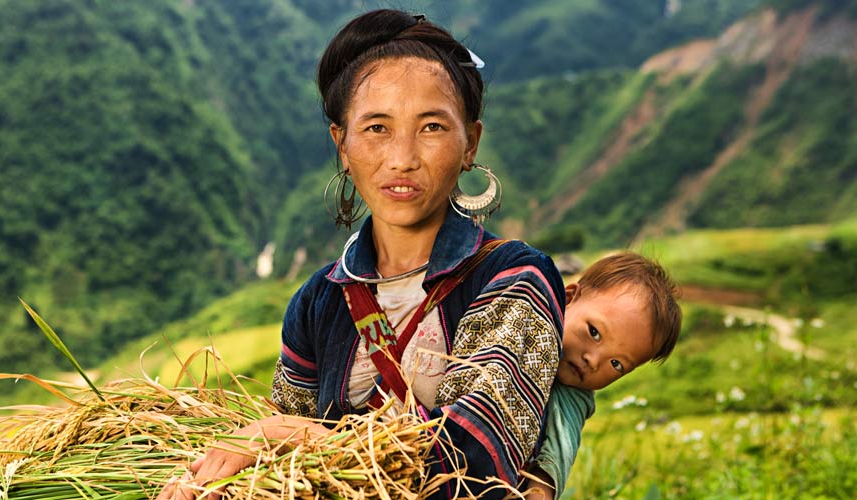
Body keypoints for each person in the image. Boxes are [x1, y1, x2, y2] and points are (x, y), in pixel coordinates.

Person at [160, 9, 565, 499]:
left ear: (470, 144)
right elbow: (273, 466)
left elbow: (475, 460)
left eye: (432, 127)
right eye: (376, 128)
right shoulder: (318, 302)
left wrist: (298, 436)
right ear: (343, 145)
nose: (402, 159)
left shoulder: (515, 278)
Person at [525, 252, 683, 499]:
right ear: (567, 298)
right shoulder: (519, 326)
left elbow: (555, 458)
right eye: (594, 332)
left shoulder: (573, 399)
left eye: (617, 364)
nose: (594, 361)